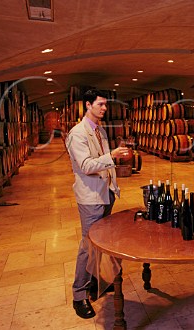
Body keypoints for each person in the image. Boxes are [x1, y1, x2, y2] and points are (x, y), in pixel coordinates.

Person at [65, 89, 130, 319]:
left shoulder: (100, 129)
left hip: (106, 194)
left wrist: (114, 185)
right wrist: (112, 155)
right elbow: (85, 165)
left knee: (100, 242)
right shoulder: (77, 133)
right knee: (87, 246)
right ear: (87, 105)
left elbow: (104, 162)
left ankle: (96, 283)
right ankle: (78, 295)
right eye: (100, 104)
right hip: (90, 198)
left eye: (105, 105)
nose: (104, 108)